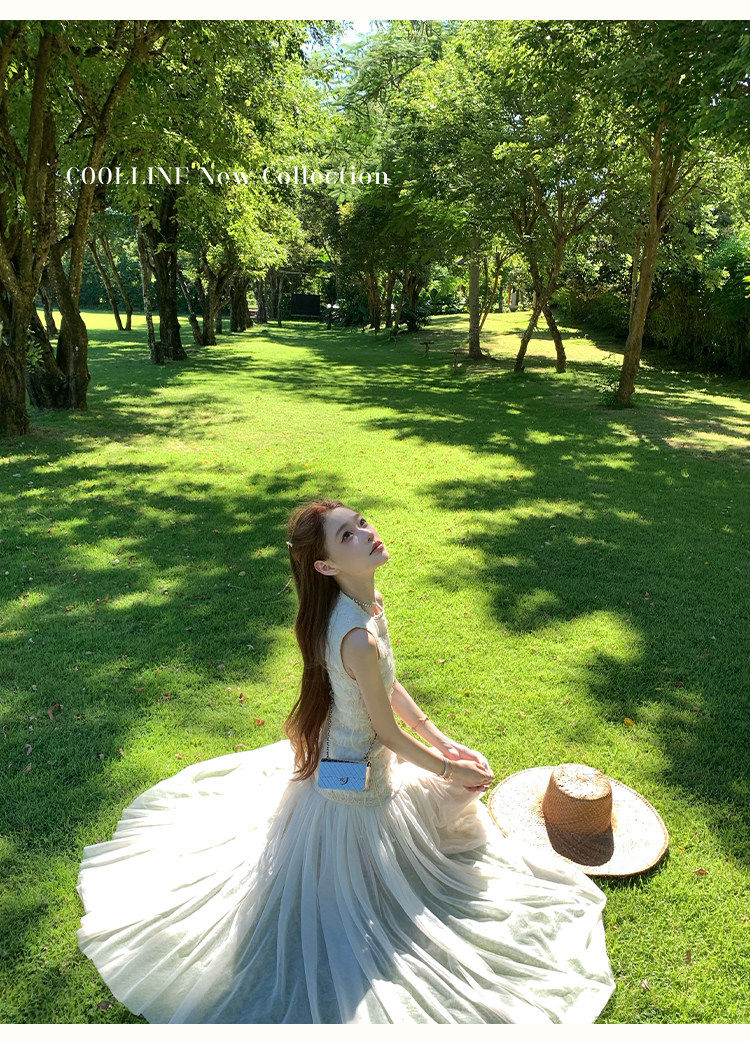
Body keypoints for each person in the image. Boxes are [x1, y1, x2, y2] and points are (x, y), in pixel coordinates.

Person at [77, 498, 615, 1023]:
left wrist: (441, 738)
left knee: (440, 799)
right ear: (327, 566)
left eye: (360, 522)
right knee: (377, 864)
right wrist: (451, 768)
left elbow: (387, 683)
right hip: (354, 773)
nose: (366, 532)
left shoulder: (366, 605)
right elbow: (387, 734)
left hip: (359, 752)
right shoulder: (355, 636)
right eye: (347, 535)